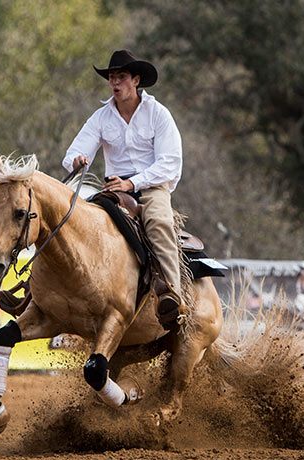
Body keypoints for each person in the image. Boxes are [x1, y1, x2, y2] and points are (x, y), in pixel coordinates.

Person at [62, 49, 184, 327]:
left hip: (151, 187)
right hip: (114, 190)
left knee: (158, 222)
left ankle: (172, 295)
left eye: (121, 77)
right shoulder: (101, 117)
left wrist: (132, 182)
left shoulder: (158, 114)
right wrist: (78, 160)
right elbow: (73, 153)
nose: (115, 83)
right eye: (112, 78)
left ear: (136, 80)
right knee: (78, 222)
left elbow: (171, 164)